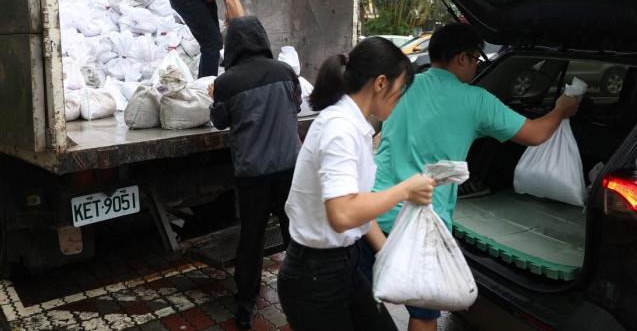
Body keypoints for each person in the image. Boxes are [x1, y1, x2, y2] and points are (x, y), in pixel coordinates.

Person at [365, 22, 580, 331]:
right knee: (423, 315)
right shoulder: (475, 101)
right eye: (476, 59)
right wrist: (561, 109)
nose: (478, 65)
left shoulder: (404, 86)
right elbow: (536, 133)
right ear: (462, 59)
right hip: (422, 226)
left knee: (359, 303)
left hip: (372, 214)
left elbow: (380, 129)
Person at [277, 37, 437, 331]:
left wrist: (389, 253)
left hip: (343, 265)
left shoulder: (355, 127)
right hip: (315, 278)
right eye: (400, 90)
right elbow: (343, 214)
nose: (400, 99)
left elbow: (359, 208)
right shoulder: (340, 129)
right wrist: (405, 190)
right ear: (379, 83)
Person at [208, 16, 301, 330]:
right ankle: (307, 293)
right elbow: (295, 107)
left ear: (231, 45)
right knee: (296, 236)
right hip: (291, 169)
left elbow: (220, 121)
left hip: (254, 174)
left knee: (252, 239)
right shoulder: (287, 72)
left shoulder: (226, 82)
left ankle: (245, 307)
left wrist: (213, 99)